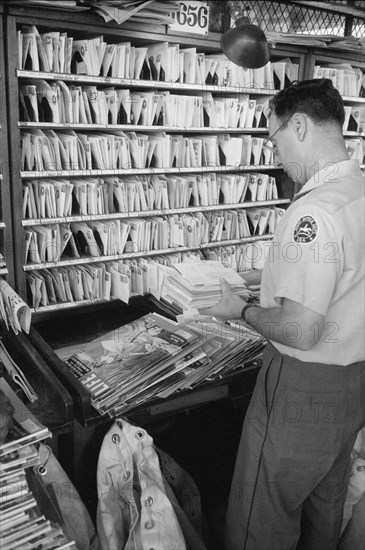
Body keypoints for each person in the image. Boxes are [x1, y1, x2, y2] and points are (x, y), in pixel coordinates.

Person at [204, 79, 365, 550]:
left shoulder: (312, 211)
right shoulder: (356, 191)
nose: (274, 153)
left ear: (299, 125)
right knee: (323, 512)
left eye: (273, 138)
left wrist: (243, 310)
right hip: (351, 389)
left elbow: (299, 328)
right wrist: (263, 275)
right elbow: (345, 273)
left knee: (262, 518)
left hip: (300, 389)